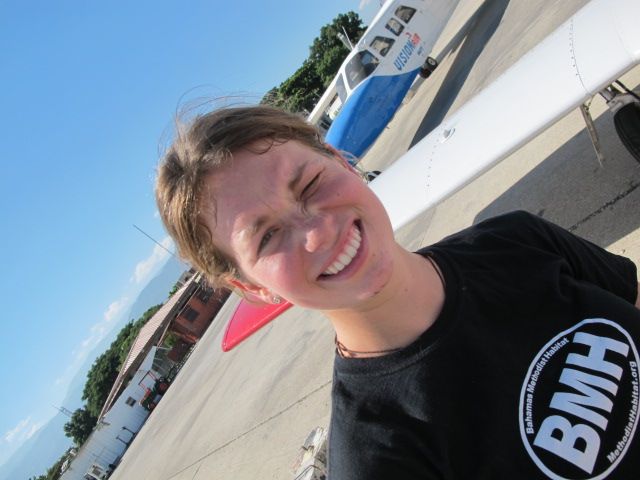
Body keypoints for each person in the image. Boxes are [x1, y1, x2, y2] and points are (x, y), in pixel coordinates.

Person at [155, 105, 640, 479]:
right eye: (265, 237)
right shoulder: (377, 458)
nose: (316, 233)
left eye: (309, 184)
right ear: (252, 287)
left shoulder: (515, 238)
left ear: (343, 161)